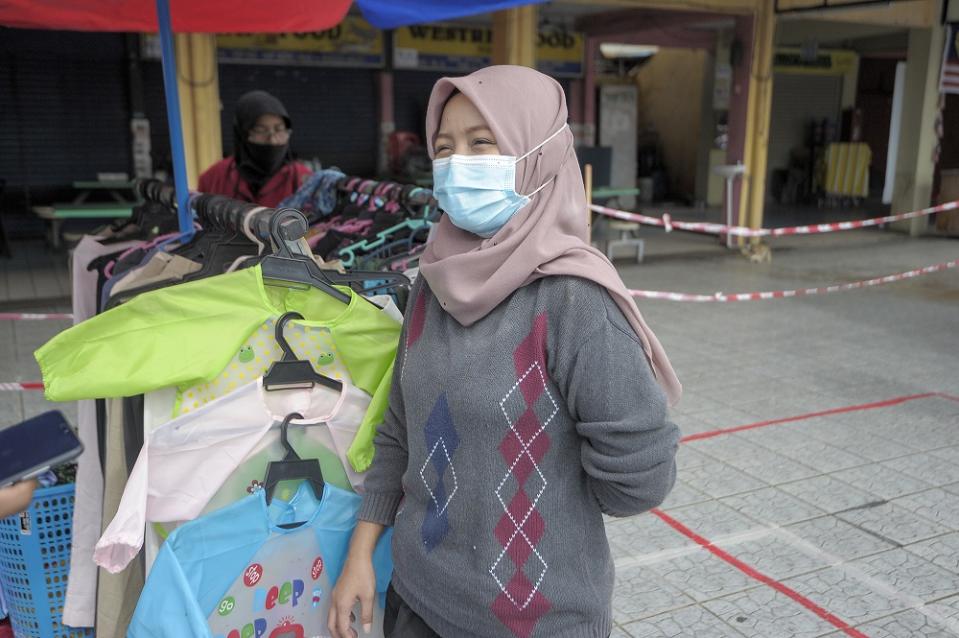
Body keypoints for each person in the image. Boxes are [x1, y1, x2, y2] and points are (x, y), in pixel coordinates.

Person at [328, 66, 683, 638]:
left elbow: (639, 479)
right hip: (416, 601)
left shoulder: (575, 301)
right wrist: (360, 555)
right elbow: (400, 431)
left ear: (536, 153)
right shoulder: (434, 283)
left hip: (536, 623)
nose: (457, 163)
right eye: (444, 148)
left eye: (482, 142)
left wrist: (539, 495)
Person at [197, 90, 312, 208]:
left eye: (279, 129)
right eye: (261, 130)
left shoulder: (304, 180)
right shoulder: (213, 178)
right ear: (242, 134)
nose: (272, 140)